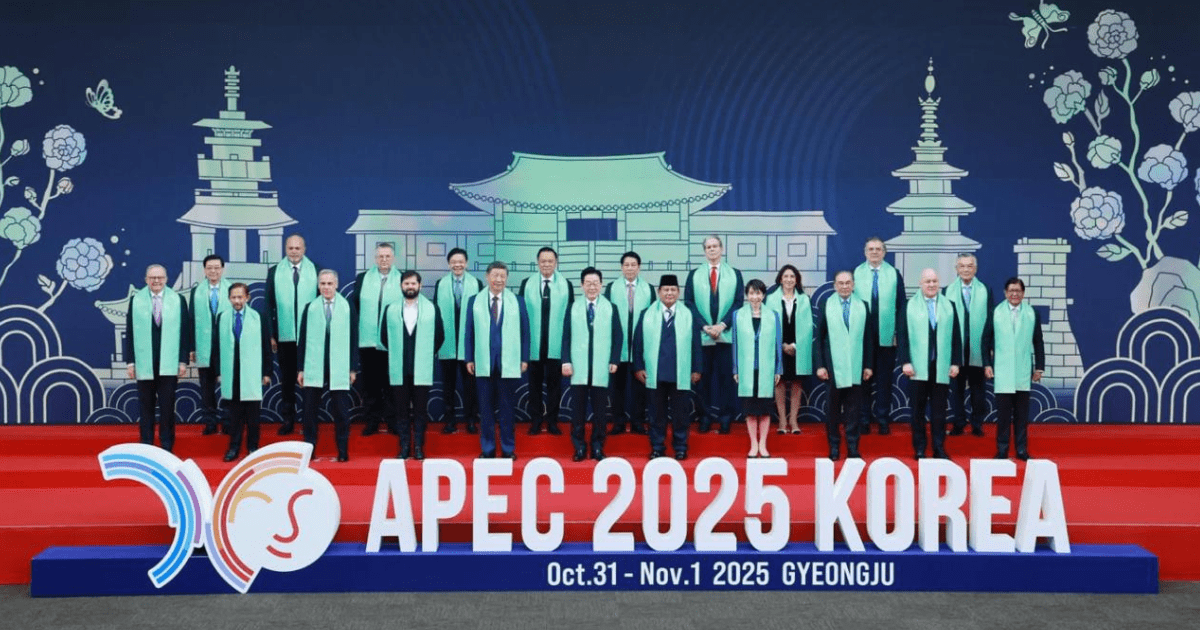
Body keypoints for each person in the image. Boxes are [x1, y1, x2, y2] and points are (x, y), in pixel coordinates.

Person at [465, 261, 530, 460]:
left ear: (507, 278)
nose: (498, 280)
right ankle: (488, 449)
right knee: (485, 410)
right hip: (483, 361)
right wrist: (469, 358)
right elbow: (469, 332)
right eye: (495, 275)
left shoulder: (517, 301)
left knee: (507, 409)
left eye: (502, 276)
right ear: (487, 277)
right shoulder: (474, 301)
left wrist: (524, 357)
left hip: (508, 363)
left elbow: (525, 332)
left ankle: (508, 449)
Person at [634, 275, 703, 461]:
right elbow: (637, 343)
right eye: (666, 289)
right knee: (656, 414)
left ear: (678, 292)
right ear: (659, 292)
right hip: (654, 372)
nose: (669, 293)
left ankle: (680, 447)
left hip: (681, 372)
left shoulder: (688, 315)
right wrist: (638, 367)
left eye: (673, 290)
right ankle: (657, 447)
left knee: (681, 414)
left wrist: (697, 369)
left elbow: (696, 344)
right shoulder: (646, 314)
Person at [898, 269, 963, 460]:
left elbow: (956, 337)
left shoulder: (949, 306)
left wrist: (955, 362)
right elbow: (902, 336)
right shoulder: (908, 306)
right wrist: (905, 361)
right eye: (927, 281)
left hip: (940, 366)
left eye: (935, 281)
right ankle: (919, 448)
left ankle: (939, 448)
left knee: (939, 412)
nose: (932, 284)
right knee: (917, 411)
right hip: (917, 367)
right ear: (920, 283)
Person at [125, 264, 190, 452]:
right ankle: (147, 446)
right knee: (145, 407)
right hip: (144, 362)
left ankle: (167, 445)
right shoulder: (135, 300)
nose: (156, 281)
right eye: (152, 278)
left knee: (167, 406)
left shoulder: (178, 300)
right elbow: (130, 332)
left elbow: (185, 333)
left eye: (160, 277)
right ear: (146, 279)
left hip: (169, 362)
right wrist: (131, 362)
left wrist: (182, 361)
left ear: (166, 279)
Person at [381, 270, 444, 461]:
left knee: (420, 411)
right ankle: (404, 447)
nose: (410, 287)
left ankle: (418, 447)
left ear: (420, 285)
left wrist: (423, 353)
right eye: (406, 283)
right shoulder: (391, 309)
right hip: (399, 368)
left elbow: (439, 336)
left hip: (421, 368)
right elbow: (384, 337)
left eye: (413, 283)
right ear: (401, 286)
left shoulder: (432, 309)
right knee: (401, 411)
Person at [684, 236, 744, 434]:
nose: (712, 249)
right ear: (704, 251)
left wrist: (722, 325)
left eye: (715, 246)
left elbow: (738, 303)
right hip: (703, 337)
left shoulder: (735, 274)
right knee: (703, 381)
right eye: (708, 247)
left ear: (721, 248)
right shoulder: (694, 275)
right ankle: (704, 417)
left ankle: (726, 419)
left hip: (725, 336)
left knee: (727, 380)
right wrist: (705, 327)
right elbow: (689, 303)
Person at [297, 270, 359, 462]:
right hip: (314, 364)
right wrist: (301, 368)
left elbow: (354, 338)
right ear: (318, 286)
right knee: (309, 411)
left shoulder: (347, 306)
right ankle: (310, 451)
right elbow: (302, 339)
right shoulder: (310, 307)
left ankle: (342, 452)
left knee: (341, 411)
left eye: (329, 283)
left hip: (339, 365)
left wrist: (352, 368)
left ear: (336, 284)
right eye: (322, 283)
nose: (326, 287)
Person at [562, 267, 622, 461]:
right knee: (577, 411)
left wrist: (614, 360)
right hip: (578, 367)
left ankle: (597, 446)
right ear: (581, 285)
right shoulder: (572, 307)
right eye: (588, 283)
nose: (592, 287)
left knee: (600, 412)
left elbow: (618, 337)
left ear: (601, 285)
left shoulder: (611, 308)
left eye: (595, 283)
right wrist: (566, 361)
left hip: (601, 367)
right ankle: (579, 447)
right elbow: (566, 337)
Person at [814, 271, 875, 461]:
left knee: (853, 411)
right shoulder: (827, 304)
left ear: (853, 285)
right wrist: (820, 365)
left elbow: (868, 339)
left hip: (856, 366)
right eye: (840, 283)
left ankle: (852, 447)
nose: (844, 286)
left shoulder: (863, 306)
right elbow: (819, 338)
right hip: (833, 367)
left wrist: (868, 365)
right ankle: (834, 446)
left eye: (848, 283)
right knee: (833, 410)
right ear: (834, 286)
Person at [984, 277, 1045, 461]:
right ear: (1005, 293)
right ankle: (1002, 450)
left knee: (1021, 416)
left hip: (1023, 371)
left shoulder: (1032, 313)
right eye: (1011, 291)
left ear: (1023, 293)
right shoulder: (995, 312)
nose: (1014, 294)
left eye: (1018, 291)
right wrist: (987, 364)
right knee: (1003, 416)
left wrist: (1039, 367)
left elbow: (1038, 341)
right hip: (1002, 371)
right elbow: (985, 340)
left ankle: (1021, 450)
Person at [265, 234, 320, 436]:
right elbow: (268, 304)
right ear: (285, 249)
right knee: (287, 381)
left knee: (310, 381)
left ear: (304, 249)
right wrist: (272, 334)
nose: (294, 251)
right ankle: (288, 420)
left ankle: (309, 420)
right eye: (290, 248)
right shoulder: (274, 272)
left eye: (298, 248)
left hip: (309, 337)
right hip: (285, 337)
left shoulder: (317, 270)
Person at [211, 283, 272, 462]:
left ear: (247, 298)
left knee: (253, 415)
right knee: (234, 414)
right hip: (231, 371)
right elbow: (216, 346)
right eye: (234, 297)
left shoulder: (258, 317)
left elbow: (266, 346)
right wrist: (218, 371)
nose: (237, 301)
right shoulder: (222, 317)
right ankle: (234, 448)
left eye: (240, 297)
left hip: (252, 372)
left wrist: (266, 372)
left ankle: (253, 447)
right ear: (229, 298)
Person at [853, 237, 905, 435]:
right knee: (863, 380)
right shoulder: (856, 273)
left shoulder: (894, 274)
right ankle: (864, 419)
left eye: (878, 249)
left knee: (884, 380)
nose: (874, 252)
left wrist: (898, 332)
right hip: (862, 336)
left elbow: (901, 306)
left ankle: (883, 419)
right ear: (865, 252)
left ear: (884, 252)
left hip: (887, 336)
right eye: (871, 249)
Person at [519, 247, 572, 435]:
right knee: (533, 387)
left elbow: (570, 318)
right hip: (534, 345)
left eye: (550, 261)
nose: (546, 264)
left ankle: (552, 422)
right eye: (543, 261)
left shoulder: (566, 285)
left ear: (556, 262)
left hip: (556, 346)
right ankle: (535, 421)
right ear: (538, 262)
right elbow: (521, 316)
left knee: (555, 387)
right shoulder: (527, 284)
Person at [353, 243, 403, 436]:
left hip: (392, 341)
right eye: (380, 256)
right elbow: (356, 304)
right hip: (368, 341)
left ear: (393, 258)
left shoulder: (401, 278)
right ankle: (372, 420)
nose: (384, 260)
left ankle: (392, 420)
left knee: (391, 383)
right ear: (375, 259)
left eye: (387, 256)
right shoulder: (363, 278)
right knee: (370, 384)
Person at [603, 251, 655, 436]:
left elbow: (653, 317)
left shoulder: (649, 289)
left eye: (633, 265)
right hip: (618, 347)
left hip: (641, 347)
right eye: (626, 265)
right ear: (621, 267)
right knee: (617, 388)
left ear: (639, 267)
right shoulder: (611, 288)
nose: (630, 268)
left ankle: (637, 422)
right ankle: (618, 422)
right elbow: (606, 316)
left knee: (639, 388)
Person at [944, 253, 993, 437]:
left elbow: (990, 321)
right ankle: (958, 423)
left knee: (978, 390)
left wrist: (989, 347)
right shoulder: (947, 291)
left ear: (975, 269)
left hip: (978, 348)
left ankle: (977, 423)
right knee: (956, 390)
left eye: (969, 266)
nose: (966, 269)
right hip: (955, 349)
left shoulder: (985, 290)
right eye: (962, 266)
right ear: (956, 269)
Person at [732, 279, 783, 458]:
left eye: (758, 293)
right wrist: (735, 369)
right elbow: (735, 344)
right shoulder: (738, 315)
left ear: (763, 295)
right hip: (746, 369)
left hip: (766, 369)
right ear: (747, 295)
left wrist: (778, 368)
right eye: (752, 293)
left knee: (765, 410)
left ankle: (763, 444)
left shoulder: (773, 315)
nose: (755, 297)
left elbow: (778, 344)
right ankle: (754, 443)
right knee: (750, 410)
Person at [434, 247, 482, 435]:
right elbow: (436, 314)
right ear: (448, 264)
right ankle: (450, 421)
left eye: (461, 261)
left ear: (466, 263)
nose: (457, 265)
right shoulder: (441, 284)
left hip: (468, 344)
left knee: (470, 386)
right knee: (448, 386)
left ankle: (471, 420)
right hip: (447, 343)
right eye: (454, 262)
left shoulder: (476, 283)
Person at [765, 264, 812, 435]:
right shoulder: (771, 299)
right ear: (780, 279)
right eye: (786, 276)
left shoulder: (804, 299)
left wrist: (795, 346)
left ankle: (794, 420)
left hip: (798, 348)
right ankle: (782, 421)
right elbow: (768, 325)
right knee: (780, 383)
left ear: (797, 279)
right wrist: (782, 345)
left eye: (792, 276)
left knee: (796, 383)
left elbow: (808, 327)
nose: (789, 279)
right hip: (778, 347)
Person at [189, 254, 231, 436]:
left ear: (222, 269)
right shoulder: (196, 291)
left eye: (216, 267)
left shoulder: (232, 289)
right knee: (207, 387)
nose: (213, 271)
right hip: (204, 345)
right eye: (209, 268)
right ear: (204, 270)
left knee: (228, 384)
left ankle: (228, 421)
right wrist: (192, 347)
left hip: (226, 345)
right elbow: (191, 320)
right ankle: (210, 422)